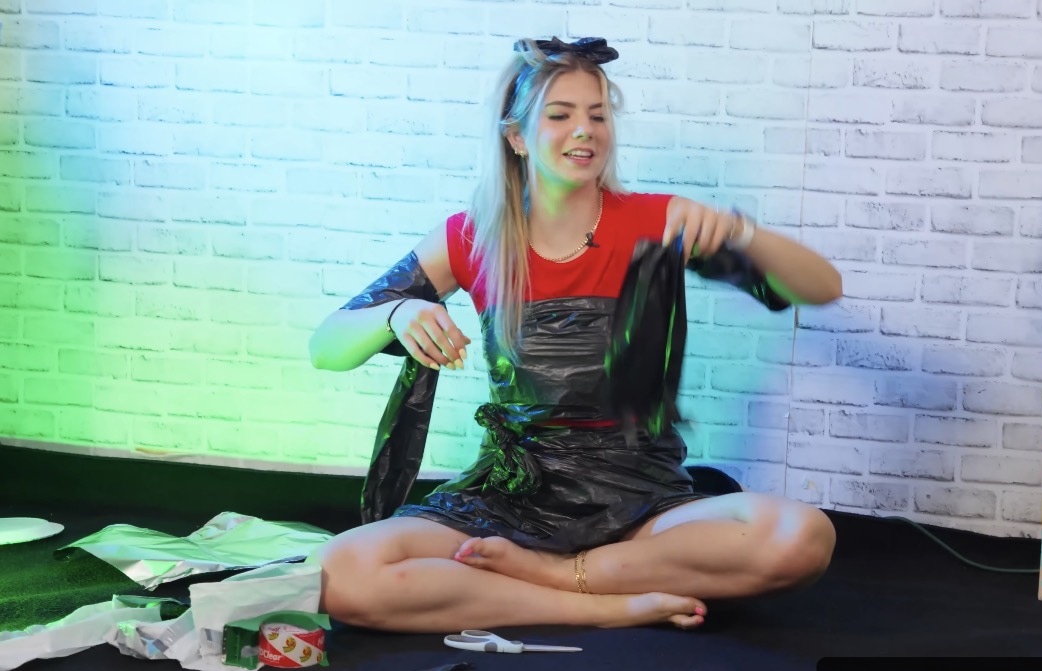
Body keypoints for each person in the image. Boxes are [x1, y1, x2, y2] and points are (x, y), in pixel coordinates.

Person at [307, 37, 843, 633]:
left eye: (598, 115)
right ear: (517, 137)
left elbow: (821, 287)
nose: (584, 130)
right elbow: (326, 348)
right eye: (560, 115)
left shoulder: (656, 221)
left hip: (643, 499)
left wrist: (741, 232)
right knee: (339, 571)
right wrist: (396, 314)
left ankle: (559, 573)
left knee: (801, 537)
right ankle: (607, 604)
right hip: (514, 494)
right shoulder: (472, 238)